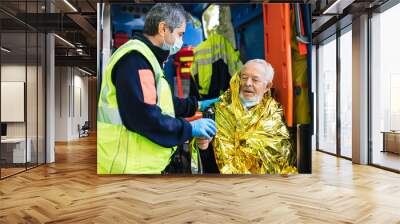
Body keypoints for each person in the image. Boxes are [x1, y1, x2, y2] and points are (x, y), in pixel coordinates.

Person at [97, 3, 219, 174]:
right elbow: (144, 117)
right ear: (163, 29)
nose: (181, 41)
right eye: (180, 34)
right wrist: (189, 129)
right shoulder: (137, 60)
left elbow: (162, 103)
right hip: (127, 167)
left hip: (140, 165)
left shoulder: (148, 58)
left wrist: (197, 105)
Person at [194, 59, 297, 174]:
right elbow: (203, 164)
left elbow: (282, 161)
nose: (248, 83)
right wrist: (203, 148)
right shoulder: (215, 111)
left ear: (267, 86)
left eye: (255, 79)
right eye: (244, 77)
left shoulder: (273, 115)